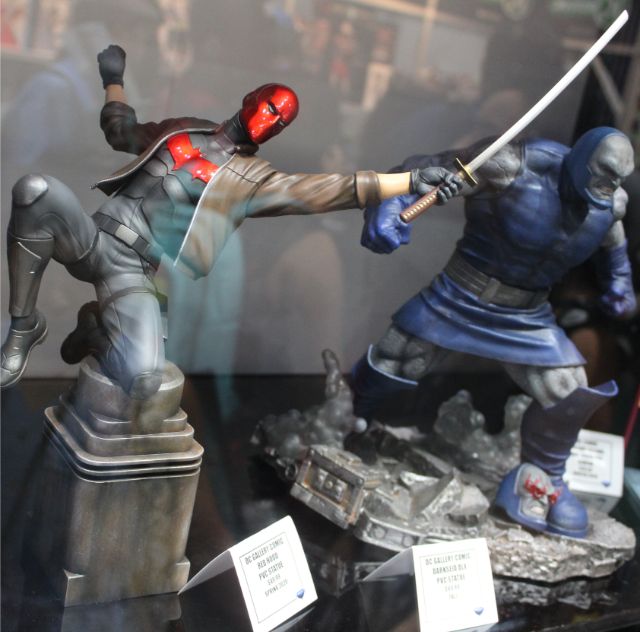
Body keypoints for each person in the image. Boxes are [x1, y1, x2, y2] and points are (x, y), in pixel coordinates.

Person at [1, 44, 462, 400]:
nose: (271, 119)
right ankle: (23, 327)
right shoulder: (184, 129)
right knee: (34, 191)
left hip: (132, 269)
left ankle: (99, 332)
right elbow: (120, 130)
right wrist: (114, 80)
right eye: (270, 106)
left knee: (142, 380)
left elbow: (327, 189)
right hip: (93, 235)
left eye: (281, 119)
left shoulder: (251, 179)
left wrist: (409, 180)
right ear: (250, 99)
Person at [351, 128, 635, 538]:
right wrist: (388, 207)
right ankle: (350, 422)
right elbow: (417, 174)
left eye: (619, 178)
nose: (609, 186)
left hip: (528, 314)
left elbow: (615, 249)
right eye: (604, 173)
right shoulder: (513, 164)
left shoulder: (610, 205)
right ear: (581, 157)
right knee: (396, 358)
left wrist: (620, 285)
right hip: (461, 292)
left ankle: (542, 482)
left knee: (568, 391)